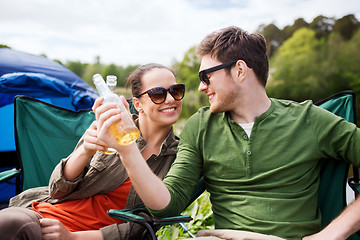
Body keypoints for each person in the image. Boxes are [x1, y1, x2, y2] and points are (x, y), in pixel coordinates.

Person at [93, 26, 360, 240]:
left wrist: (332, 233)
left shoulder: (309, 120)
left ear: (240, 70)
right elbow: (165, 205)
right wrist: (127, 151)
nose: (200, 88)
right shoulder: (201, 126)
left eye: (206, 76)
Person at [0, 63, 185, 240]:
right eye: (158, 94)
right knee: (9, 223)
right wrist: (85, 150)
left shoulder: (180, 158)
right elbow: (56, 190)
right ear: (137, 104)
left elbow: (146, 225)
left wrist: (72, 237)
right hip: (45, 217)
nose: (170, 99)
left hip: (83, 235)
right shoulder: (109, 128)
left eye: (176, 91)